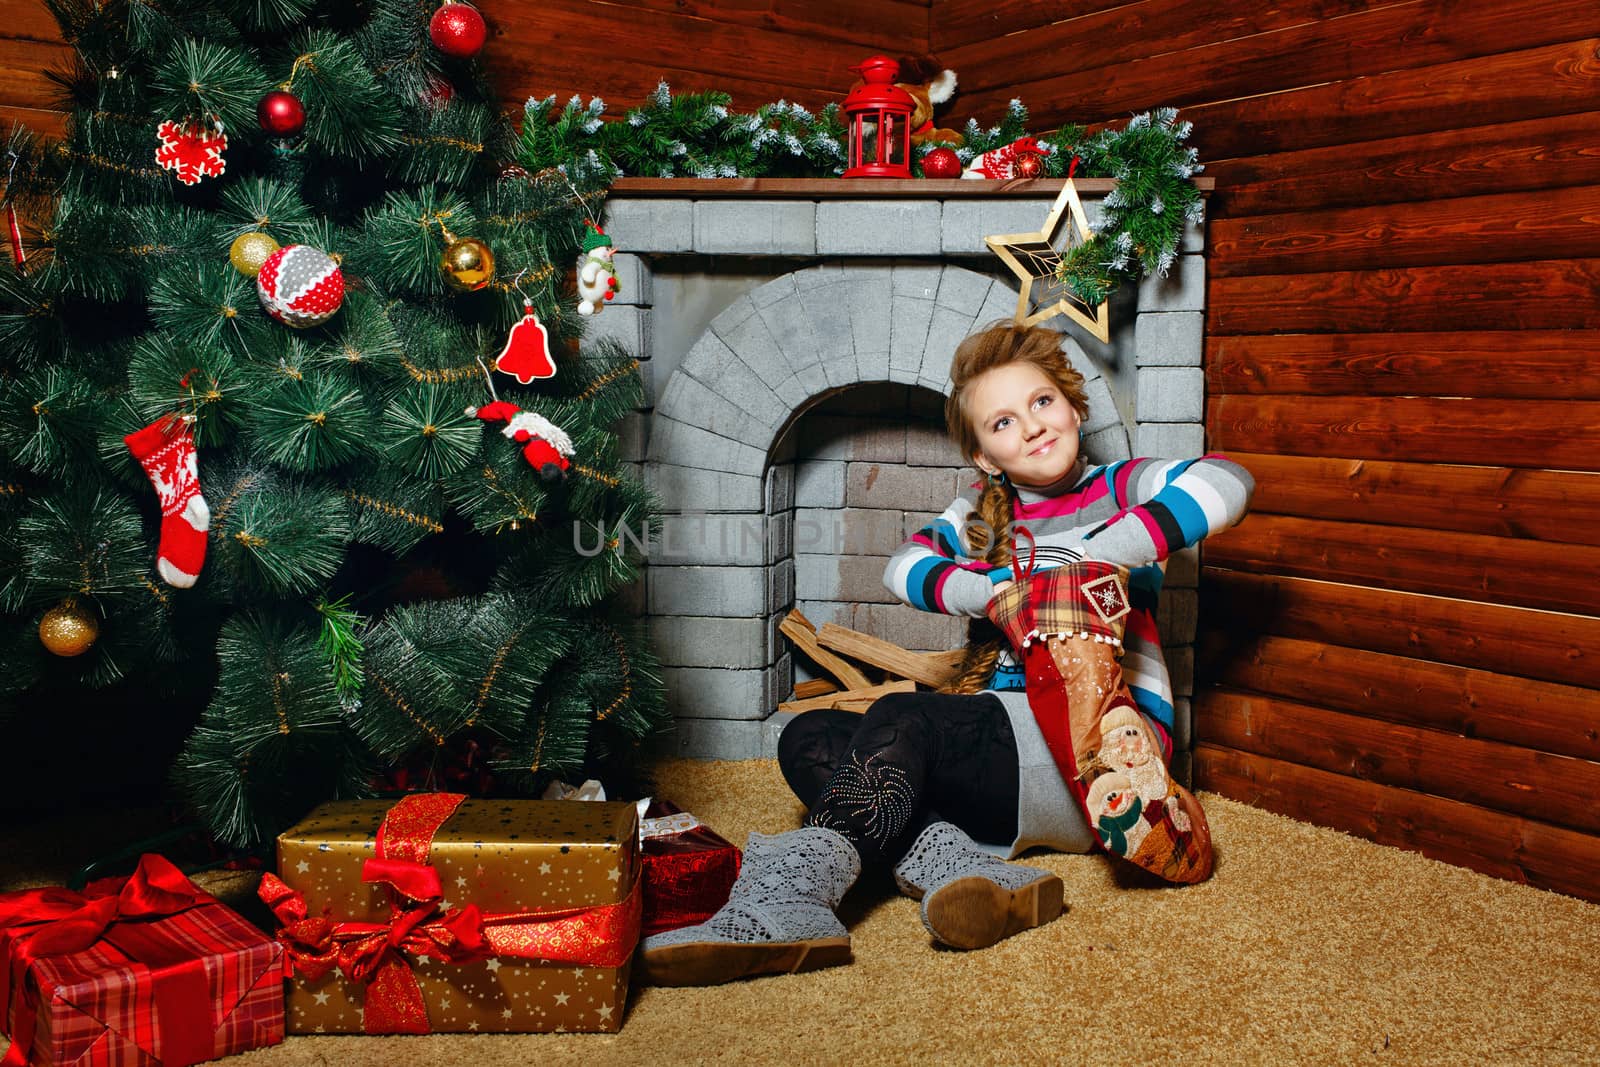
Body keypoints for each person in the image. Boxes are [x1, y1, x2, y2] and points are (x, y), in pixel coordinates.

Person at [639, 321, 1253, 986]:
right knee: (810, 736)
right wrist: (997, 592)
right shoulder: (985, 512)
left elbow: (1225, 481)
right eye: (1004, 421)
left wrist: (1091, 556)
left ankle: (784, 903)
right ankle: (959, 865)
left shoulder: (1122, 486)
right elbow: (904, 567)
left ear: (1074, 408)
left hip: (1093, 758)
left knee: (909, 721)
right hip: (995, 746)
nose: (1033, 426)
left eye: (1043, 402)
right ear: (987, 455)